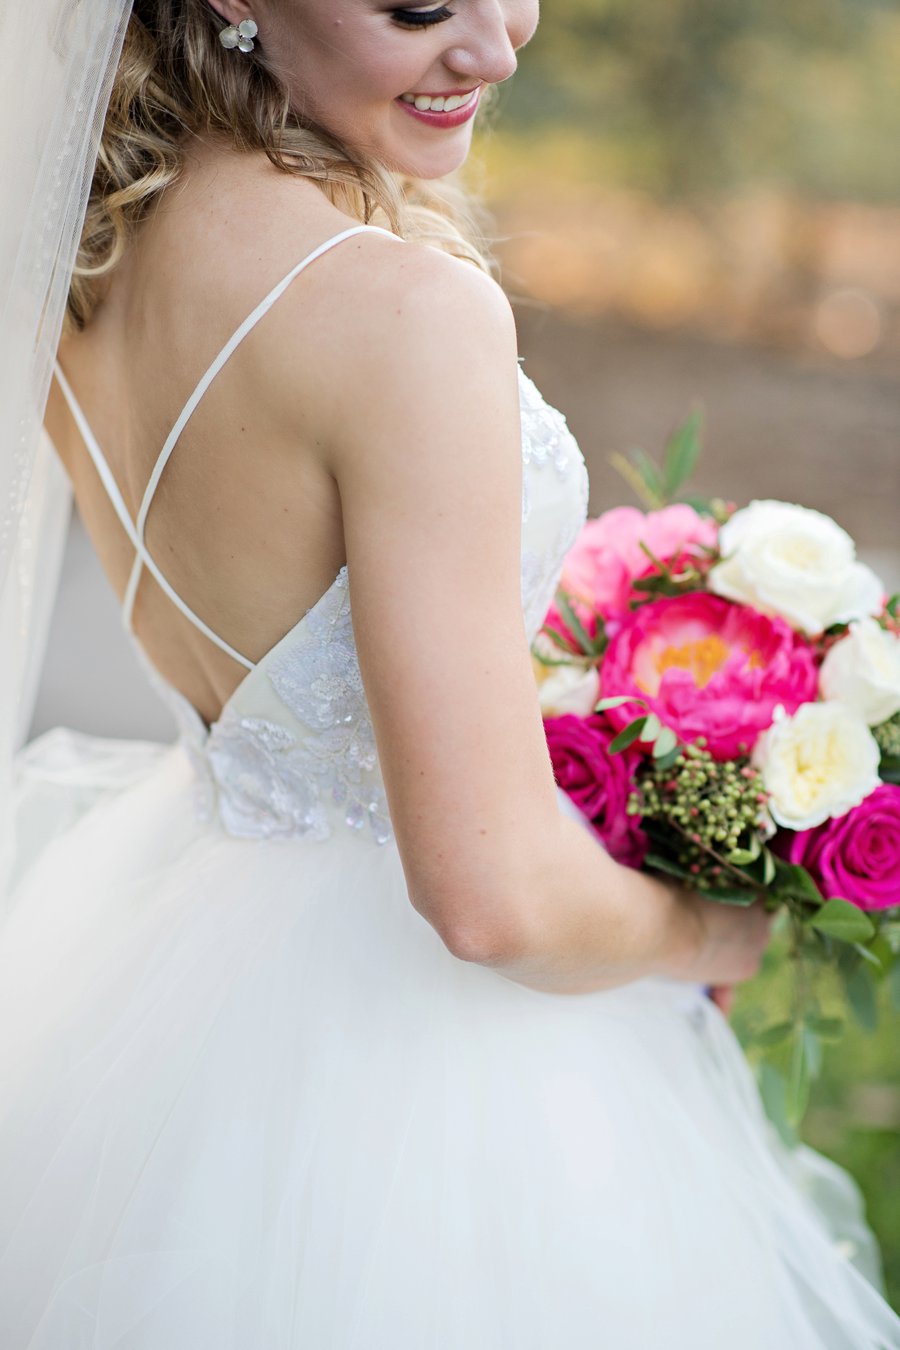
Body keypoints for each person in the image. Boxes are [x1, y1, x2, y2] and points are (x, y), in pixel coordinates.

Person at [0, 1, 898, 1345]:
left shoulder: (80, 254)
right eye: (417, 5)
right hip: (419, 1086)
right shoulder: (403, 312)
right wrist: (709, 935)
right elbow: (488, 895)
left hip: (174, 993)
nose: (494, 46)